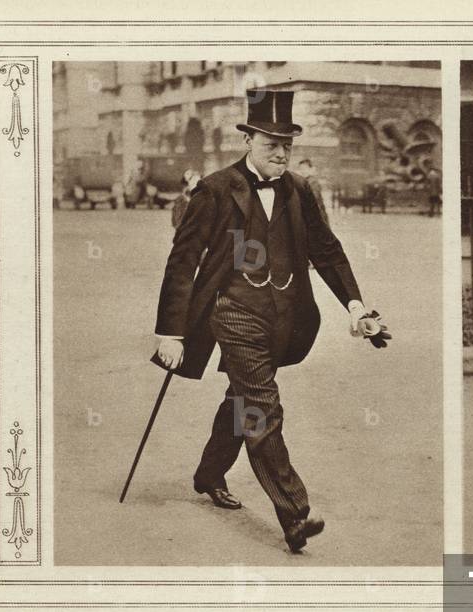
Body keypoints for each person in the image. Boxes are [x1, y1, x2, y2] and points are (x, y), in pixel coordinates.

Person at [152, 89, 390, 554]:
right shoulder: (217, 189)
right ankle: (296, 513)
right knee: (262, 405)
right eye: (270, 144)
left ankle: (209, 473)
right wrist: (171, 331)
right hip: (232, 312)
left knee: (242, 397)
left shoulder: (299, 190)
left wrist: (357, 308)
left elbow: (326, 251)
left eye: (287, 145)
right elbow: (182, 261)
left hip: (283, 318)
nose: (280, 153)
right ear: (248, 141)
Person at [296, 158, 330, 227]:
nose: (303, 171)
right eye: (301, 169)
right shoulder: (302, 182)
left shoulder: (313, 182)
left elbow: (314, 198)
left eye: (305, 168)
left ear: (311, 169)